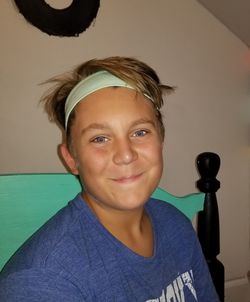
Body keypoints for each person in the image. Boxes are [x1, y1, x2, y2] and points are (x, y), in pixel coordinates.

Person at [0, 56, 219, 301]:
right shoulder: (42, 283)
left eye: (140, 132)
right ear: (71, 159)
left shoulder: (175, 224)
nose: (125, 155)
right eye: (99, 138)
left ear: (161, 141)